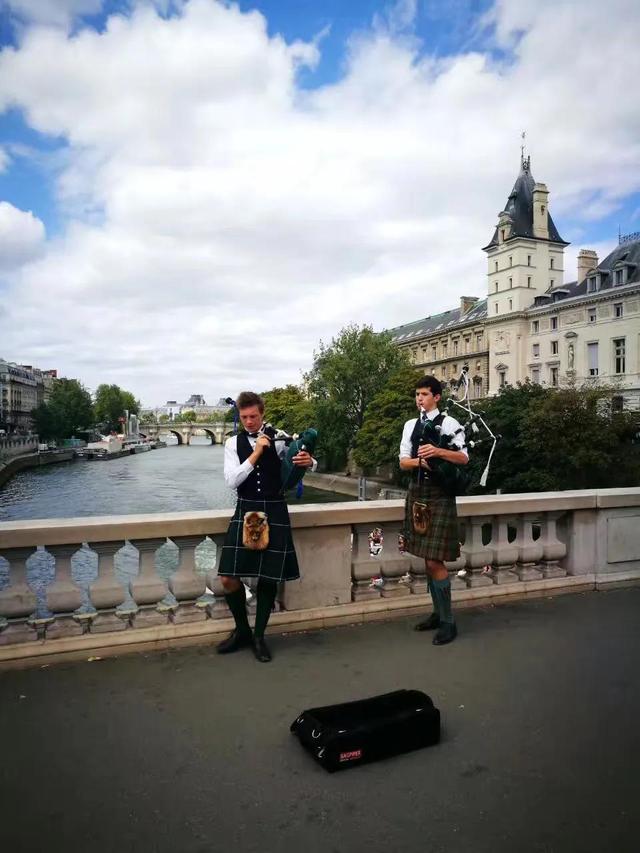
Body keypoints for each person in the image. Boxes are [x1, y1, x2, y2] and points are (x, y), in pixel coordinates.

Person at [217, 391, 316, 662]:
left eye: (254, 416)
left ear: (262, 413)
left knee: (268, 578)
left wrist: (310, 462)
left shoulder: (280, 436)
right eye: (244, 417)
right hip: (246, 507)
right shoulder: (231, 443)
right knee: (228, 577)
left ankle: (259, 636)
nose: (249, 421)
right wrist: (257, 451)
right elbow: (232, 481)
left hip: (274, 508)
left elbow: (301, 457)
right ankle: (242, 631)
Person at [399, 375, 468, 645]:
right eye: (417, 394)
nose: (419, 399)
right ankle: (437, 614)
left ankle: (448, 621)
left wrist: (437, 452)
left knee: (433, 560)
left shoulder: (450, 423)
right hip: (418, 493)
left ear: (437, 397)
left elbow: (463, 457)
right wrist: (421, 462)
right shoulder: (410, 425)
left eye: (425, 394)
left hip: (440, 494)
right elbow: (403, 461)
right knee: (426, 560)